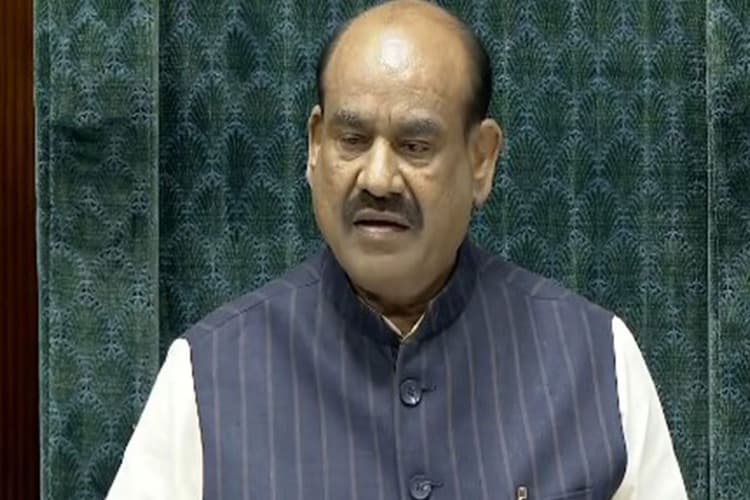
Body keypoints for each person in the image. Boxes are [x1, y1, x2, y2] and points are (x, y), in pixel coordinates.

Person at [106, 1, 687, 499]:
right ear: (315, 146)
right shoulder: (207, 374)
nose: (378, 178)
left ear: (481, 158)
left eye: (414, 144)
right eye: (352, 140)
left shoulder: (595, 357)